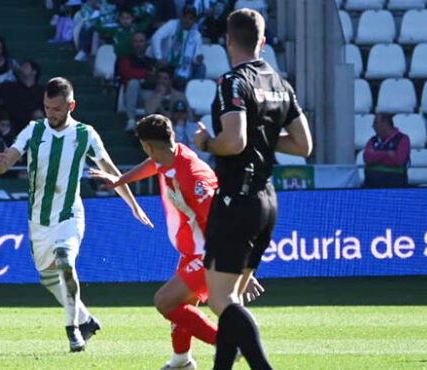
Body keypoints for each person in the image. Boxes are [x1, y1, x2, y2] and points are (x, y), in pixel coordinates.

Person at [0, 77, 153, 352]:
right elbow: (9, 161)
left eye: (56, 108)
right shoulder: (33, 130)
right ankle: (86, 319)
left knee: (65, 262)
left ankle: (73, 330)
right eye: (46, 107)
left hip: (69, 215)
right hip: (38, 221)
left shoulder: (85, 134)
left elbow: (112, 171)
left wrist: (133, 205)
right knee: (49, 277)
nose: (50, 114)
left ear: (71, 106)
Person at [90, 114, 264, 369]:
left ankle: (229, 343)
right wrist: (121, 180)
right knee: (182, 309)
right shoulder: (170, 155)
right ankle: (182, 362)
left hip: (209, 253)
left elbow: (221, 220)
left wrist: (239, 265)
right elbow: (153, 164)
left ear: (147, 145)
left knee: (165, 301)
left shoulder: (193, 177)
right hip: (192, 250)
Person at [192, 9, 312, 369]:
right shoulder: (279, 82)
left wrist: (206, 143)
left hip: (236, 198)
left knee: (220, 300)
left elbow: (234, 140)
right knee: (235, 296)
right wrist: (265, 138)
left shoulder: (232, 82)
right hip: (266, 200)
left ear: (229, 41)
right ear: (262, 41)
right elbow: (304, 145)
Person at [151, 4, 205, 88]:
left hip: (185, 67)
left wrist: (198, 58)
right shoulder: (172, 24)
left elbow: (196, 56)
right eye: (185, 17)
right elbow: (156, 37)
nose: (187, 20)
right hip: (168, 63)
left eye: (190, 18)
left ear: (194, 20)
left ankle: (196, 92)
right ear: (181, 16)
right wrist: (159, 57)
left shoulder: (197, 35)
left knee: (202, 67)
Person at [0, 60, 44, 133]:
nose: (21, 68)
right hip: (12, 128)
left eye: (25, 66)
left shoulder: (41, 91)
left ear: (34, 72)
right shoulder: (9, 87)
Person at [118, 31, 157, 130]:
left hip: (149, 95)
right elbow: (127, 73)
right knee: (133, 83)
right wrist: (146, 74)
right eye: (136, 41)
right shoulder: (125, 59)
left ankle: (149, 126)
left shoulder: (152, 61)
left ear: (146, 43)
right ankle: (131, 120)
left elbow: (156, 78)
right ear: (132, 43)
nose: (138, 44)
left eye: (141, 41)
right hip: (132, 96)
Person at [363, 113, 411, 188]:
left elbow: (399, 160)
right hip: (371, 186)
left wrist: (375, 155)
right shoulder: (372, 140)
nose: (373, 126)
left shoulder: (402, 139)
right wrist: (387, 154)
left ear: (385, 123)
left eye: (376, 123)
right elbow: (367, 157)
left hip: (395, 186)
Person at [170, 100, 211, 164]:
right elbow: (178, 146)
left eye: (182, 113)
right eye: (177, 113)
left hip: (200, 161)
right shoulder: (169, 129)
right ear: (172, 114)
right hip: (180, 163)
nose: (180, 115)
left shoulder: (195, 127)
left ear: (186, 113)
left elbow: (204, 145)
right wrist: (179, 128)